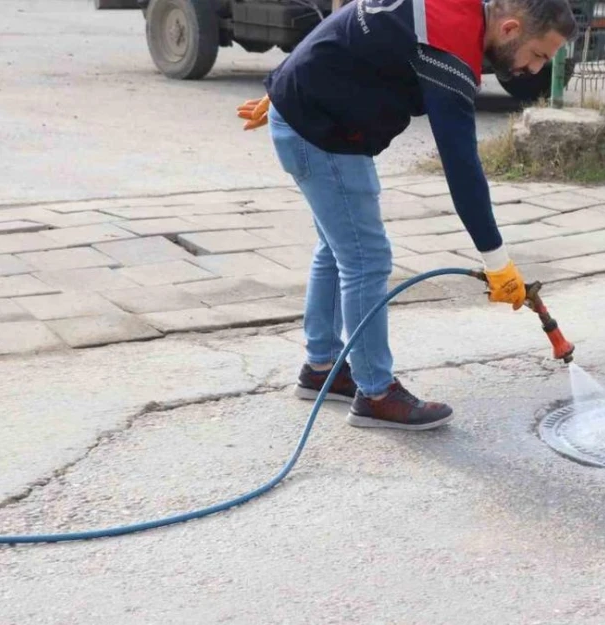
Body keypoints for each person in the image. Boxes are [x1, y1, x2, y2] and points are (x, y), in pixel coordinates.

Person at [236, 0, 576, 431]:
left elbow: (354, 23)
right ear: (510, 29)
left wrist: (288, 80)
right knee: (366, 258)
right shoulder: (449, 47)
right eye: (538, 55)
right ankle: (376, 394)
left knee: (340, 246)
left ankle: (322, 367)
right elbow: (461, 166)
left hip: (307, 112)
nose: (534, 70)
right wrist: (497, 262)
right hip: (319, 130)